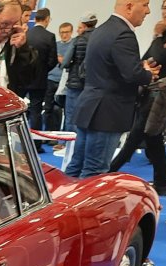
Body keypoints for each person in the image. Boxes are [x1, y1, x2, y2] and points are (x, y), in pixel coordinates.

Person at [64, 1, 159, 180]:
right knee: (95, 171)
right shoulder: (124, 34)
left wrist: (139, 70)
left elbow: (106, 67)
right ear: (130, 6)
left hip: (90, 107)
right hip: (107, 113)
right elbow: (131, 74)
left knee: (76, 166)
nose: (148, 11)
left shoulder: (101, 30)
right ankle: (84, 209)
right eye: (145, 4)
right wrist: (147, 74)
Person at [109, 0, 166, 195]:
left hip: (162, 91)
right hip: (150, 88)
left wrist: (159, 36)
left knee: (139, 133)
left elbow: (162, 56)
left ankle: (110, 169)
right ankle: (162, 183)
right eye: (165, 7)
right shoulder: (165, 32)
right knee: (151, 136)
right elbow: (147, 57)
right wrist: (158, 38)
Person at [23, 8, 59, 150]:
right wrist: (43, 71)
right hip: (40, 80)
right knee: (36, 112)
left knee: (18, 111)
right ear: (47, 19)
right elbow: (53, 60)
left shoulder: (26, 34)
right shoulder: (49, 36)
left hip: (23, 79)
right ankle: (36, 145)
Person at [62, 14, 98, 135]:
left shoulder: (78, 39)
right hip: (93, 83)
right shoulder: (100, 38)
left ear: (83, 25)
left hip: (75, 81)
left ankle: (67, 144)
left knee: (71, 114)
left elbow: (66, 61)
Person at [44, 22, 73, 132]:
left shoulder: (73, 45)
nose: (64, 35)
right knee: (49, 109)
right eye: (62, 32)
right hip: (51, 79)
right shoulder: (55, 45)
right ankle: (48, 134)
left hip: (65, 82)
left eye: (66, 32)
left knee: (66, 111)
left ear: (71, 32)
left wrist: (63, 60)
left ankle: (63, 137)